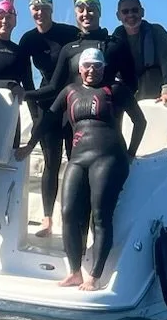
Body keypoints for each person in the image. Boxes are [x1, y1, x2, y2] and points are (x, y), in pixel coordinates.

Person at [27, 47, 140, 290]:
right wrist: (28, 146)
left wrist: (130, 153)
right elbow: (47, 119)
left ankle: (95, 276)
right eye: (87, 66)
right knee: (68, 213)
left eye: (97, 66)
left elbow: (139, 121)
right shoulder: (70, 91)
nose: (91, 70)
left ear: (103, 68)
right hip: (78, 158)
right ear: (79, 69)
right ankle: (75, 271)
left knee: (100, 215)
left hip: (109, 158)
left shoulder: (115, 90)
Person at [27, 0, 114, 235]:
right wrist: (26, 95)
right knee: (51, 163)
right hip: (60, 108)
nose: (85, 14)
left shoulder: (106, 42)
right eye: (81, 10)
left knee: (81, 167)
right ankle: (47, 220)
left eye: (90, 9)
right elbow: (55, 86)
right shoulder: (69, 45)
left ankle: (83, 224)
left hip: (87, 116)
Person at [105, 0, 167, 106]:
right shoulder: (114, 40)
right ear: (118, 16)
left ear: (142, 12)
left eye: (135, 10)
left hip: (156, 99)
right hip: (128, 100)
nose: (130, 14)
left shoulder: (157, 32)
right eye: (125, 11)